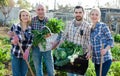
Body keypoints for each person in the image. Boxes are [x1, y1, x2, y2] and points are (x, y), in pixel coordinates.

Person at [53, 5, 91, 76]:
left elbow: (89, 40)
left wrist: (89, 51)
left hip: (81, 55)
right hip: (69, 54)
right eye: (76, 12)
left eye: (80, 12)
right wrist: (58, 47)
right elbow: (64, 37)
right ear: (74, 13)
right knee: (70, 73)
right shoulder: (69, 24)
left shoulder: (87, 26)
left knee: (81, 73)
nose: (78, 14)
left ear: (83, 13)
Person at [31, 4, 54, 76]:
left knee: (50, 66)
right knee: (37, 66)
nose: (40, 11)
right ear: (36, 11)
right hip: (36, 47)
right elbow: (28, 31)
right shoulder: (32, 20)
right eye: (38, 9)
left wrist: (51, 36)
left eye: (42, 9)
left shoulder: (49, 21)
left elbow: (56, 33)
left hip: (46, 47)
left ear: (45, 10)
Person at [89, 7, 114, 76]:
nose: (94, 16)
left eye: (96, 15)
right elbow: (91, 43)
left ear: (99, 16)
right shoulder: (90, 28)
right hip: (97, 60)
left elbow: (111, 40)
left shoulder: (103, 26)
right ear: (90, 15)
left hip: (105, 58)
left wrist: (105, 49)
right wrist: (89, 51)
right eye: (92, 14)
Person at [8, 9, 33, 76]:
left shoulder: (30, 28)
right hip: (16, 53)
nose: (25, 17)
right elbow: (10, 39)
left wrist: (27, 51)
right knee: (16, 74)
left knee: (23, 74)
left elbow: (31, 41)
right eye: (23, 15)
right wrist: (14, 41)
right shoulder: (15, 26)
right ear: (20, 17)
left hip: (25, 55)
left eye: (27, 15)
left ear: (29, 17)